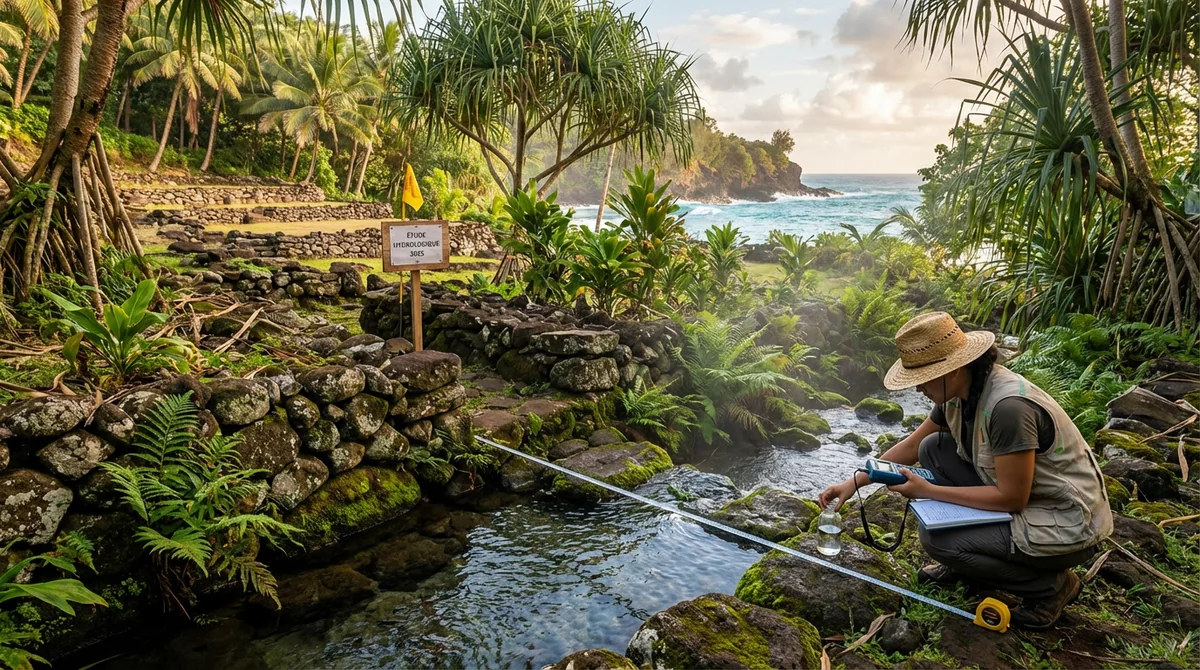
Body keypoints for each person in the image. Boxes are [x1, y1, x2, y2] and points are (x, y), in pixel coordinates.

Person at [818, 312, 1113, 629]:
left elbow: (1013, 498)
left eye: (924, 378)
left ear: (954, 369)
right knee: (931, 447)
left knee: (938, 540)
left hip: (1067, 520)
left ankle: (1051, 588)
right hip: (1028, 498)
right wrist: (854, 482)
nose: (918, 389)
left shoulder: (1008, 408)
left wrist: (928, 491)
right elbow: (912, 445)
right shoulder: (959, 392)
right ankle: (970, 566)